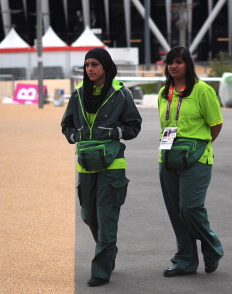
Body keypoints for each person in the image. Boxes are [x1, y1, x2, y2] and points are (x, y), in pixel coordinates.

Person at [61, 47, 142, 287]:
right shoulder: (77, 95)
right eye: (87, 65)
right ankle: (108, 251)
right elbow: (65, 125)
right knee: (88, 215)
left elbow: (134, 126)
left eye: (95, 64)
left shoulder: (121, 93)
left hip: (112, 165)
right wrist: (75, 135)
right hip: (86, 164)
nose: (90, 69)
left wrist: (114, 132)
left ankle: (101, 269)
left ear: (105, 66)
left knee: (107, 217)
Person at [157, 46, 224, 277]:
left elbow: (215, 125)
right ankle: (185, 260)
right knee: (176, 213)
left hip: (196, 158)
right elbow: (165, 126)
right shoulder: (164, 93)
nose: (173, 66)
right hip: (167, 156)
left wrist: (199, 145)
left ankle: (212, 246)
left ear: (188, 64)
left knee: (190, 209)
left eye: (179, 61)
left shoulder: (202, 90)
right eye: (170, 62)